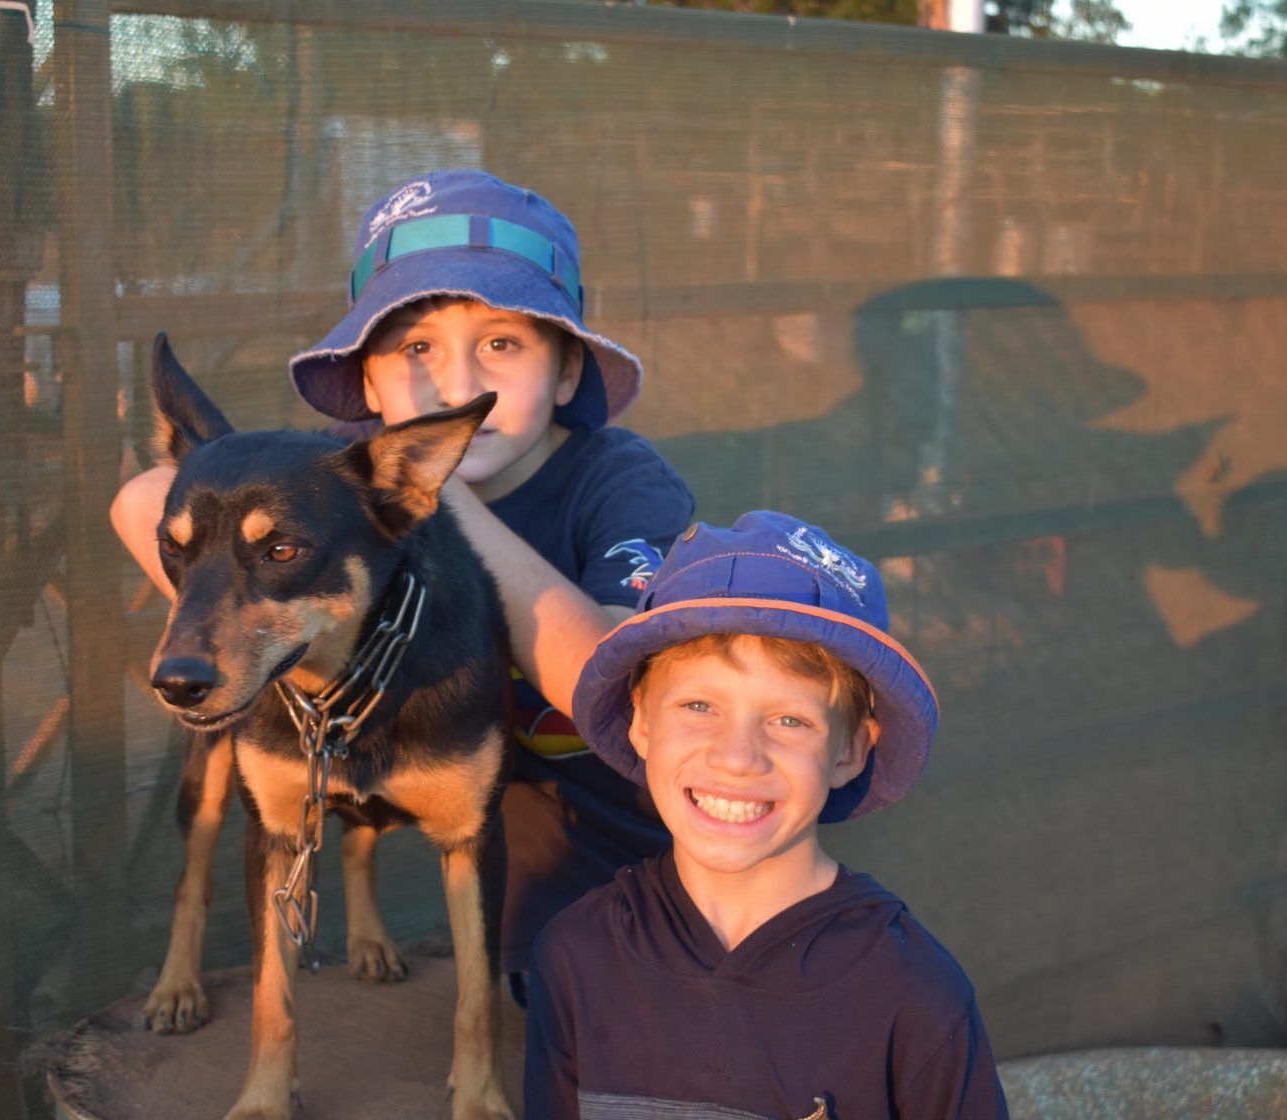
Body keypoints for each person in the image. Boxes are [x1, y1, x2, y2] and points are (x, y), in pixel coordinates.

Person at [109, 169, 694, 979]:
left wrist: (444, 500)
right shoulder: (345, 488)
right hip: (462, 821)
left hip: (607, 851)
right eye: (415, 348)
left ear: (566, 373)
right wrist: (272, 618)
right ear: (367, 384)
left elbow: (616, 682)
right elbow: (142, 499)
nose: (456, 384)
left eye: (502, 344)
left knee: (579, 1021)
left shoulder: (619, 484)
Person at [527, 510, 1008, 1119]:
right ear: (642, 720)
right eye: (699, 705)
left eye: (789, 720)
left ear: (851, 750)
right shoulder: (575, 955)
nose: (737, 757)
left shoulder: (914, 994)